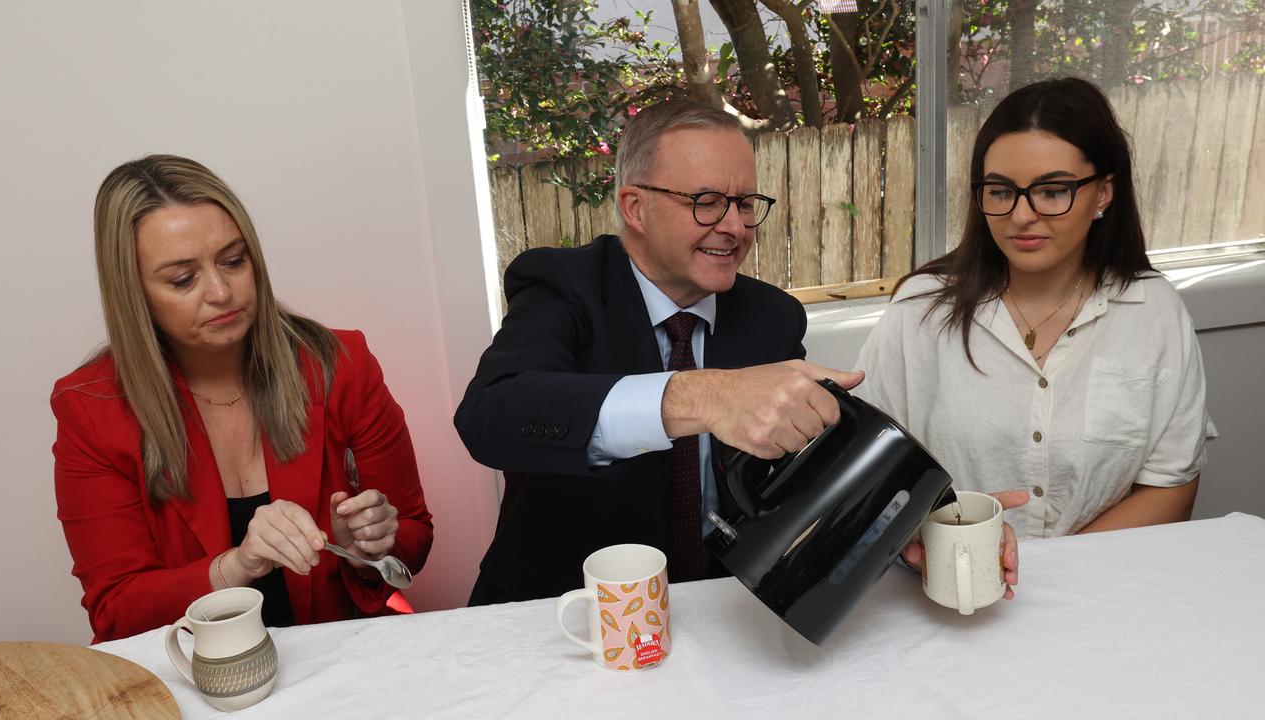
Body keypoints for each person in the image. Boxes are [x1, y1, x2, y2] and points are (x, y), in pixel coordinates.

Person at [455, 98, 1021, 605]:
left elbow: (804, 481)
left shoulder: (770, 317)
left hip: (723, 616)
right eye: (706, 202)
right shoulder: (564, 285)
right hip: (560, 613)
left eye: (745, 203)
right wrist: (704, 396)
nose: (734, 226)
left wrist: (896, 531)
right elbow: (490, 415)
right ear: (634, 207)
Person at [52, 155, 433, 642]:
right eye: (183, 279)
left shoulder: (340, 363)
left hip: (342, 657)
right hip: (195, 677)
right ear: (134, 294)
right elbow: (116, 611)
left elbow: (414, 540)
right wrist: (238, 566)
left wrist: (366, 545)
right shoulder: (91, 407)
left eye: (234, 260)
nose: (221, 292)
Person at [855, 77, 1215, 545]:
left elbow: (1172, 485)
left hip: (1102, 590)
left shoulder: (1155, 312)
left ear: (1104, 193)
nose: (1022, 215)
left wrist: (1057, 576)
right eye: (1001, 192)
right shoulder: (921, 311)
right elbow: (868, 476)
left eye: (1052, 191)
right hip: (956, 589)